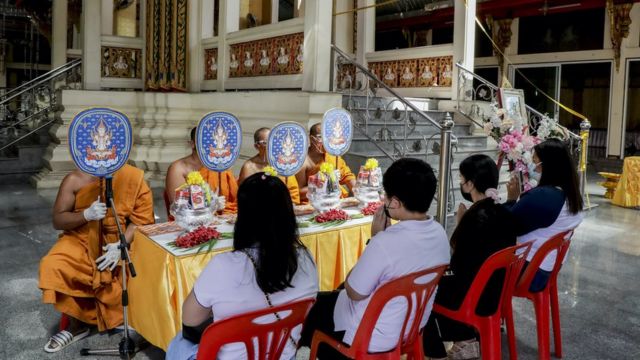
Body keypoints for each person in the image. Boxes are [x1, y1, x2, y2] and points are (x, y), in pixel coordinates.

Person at [299, 158, 450, 358]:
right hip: (410, 329)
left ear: (395, 202)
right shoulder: (440, 233)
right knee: (327, 300)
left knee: (309, 309)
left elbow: (354, 292)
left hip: (370, 335)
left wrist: (376, 238)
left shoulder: (385, 242)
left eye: (385, 197)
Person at [167, 172, 319, 359]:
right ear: (288, 213)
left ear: (243, 217)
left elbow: (190, 319)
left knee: (179, 344)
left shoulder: (223, 266)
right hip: (284, 356)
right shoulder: (306, 259)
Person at [39, 164, 154, 353]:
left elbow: (141, 220)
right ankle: (76, 326)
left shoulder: (133, 177)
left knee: (148, 265)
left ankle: (124, 317)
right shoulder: (75, 179)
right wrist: (85, 215)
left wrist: (121, 244)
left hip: (120, 239)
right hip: (81, 238)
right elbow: (58, 220)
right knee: (53, 264)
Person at [423, 154, 518, 360]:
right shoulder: (503, 212)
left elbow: (459, 265)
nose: (460, 184)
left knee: (423, 290)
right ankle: (465, 338)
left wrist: (460, 225)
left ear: (471, 184)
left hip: (473, 296)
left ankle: (444, 348)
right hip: (495, 292)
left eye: (461, 179)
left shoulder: (475, 217)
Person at [506, 138, 583, 292]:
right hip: (548, 268)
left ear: (547, 164)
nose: (533, 165)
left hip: (528, 272)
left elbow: (508, 225)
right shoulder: (570, 193)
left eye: (535, 160)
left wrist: (511, 200)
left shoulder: (545, 196)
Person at [165, 127, 237, 214]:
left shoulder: (219, 165)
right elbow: (179, 208)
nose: (210, 146)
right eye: (205, 142)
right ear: (192, 144)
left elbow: (235, 201)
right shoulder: (178, 168)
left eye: (213, 142)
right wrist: (210, 206)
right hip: (190, 222)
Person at [295, 123, 356, 203]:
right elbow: (299, 192)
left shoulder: (333, 155)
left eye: (327, 137)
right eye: (320, 137)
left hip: (334, 201)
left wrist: (358, 191)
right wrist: (323, 184)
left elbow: (348, 176)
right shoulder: (303, 161)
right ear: (311, 139)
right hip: (313, 204)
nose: (325, 141)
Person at [237, 127, 301, 204]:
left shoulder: (283, 164)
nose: (271, 146)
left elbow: (293, 192)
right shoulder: (249, 166)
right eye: (265, 143)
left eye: (273, 141)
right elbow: (243, 195)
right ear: (257, 146)